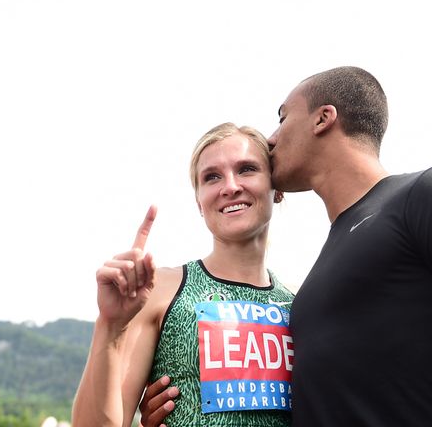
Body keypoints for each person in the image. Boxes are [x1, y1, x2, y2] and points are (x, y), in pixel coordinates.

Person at [140, 66, 432, 426]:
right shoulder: (312, 277)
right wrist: (184, 405)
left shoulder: (431, 194)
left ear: (323, 118)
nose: (271, 138)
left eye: (282, 117)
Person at [71, 122, 294, 427]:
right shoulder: (159, 291)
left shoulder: (298, 306)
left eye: (246, 169)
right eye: (212, 177)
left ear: (277, 187)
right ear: (199, 202)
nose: (230, 186)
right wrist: (109, 326)